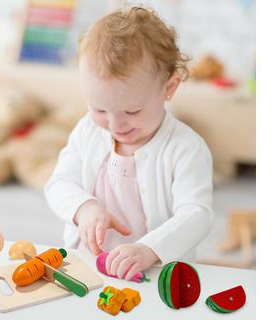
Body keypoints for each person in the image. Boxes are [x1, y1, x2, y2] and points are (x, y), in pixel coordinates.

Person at [45, 7, 214, 281]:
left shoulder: (186, 148)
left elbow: (197, 214)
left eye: (132, 111)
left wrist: (148, 249)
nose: (115, 125)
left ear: (169, 88)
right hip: (87, 266)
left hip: (158, 273)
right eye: (99, 109)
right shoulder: (87, 130)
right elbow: (59, 184)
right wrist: (84, 208)